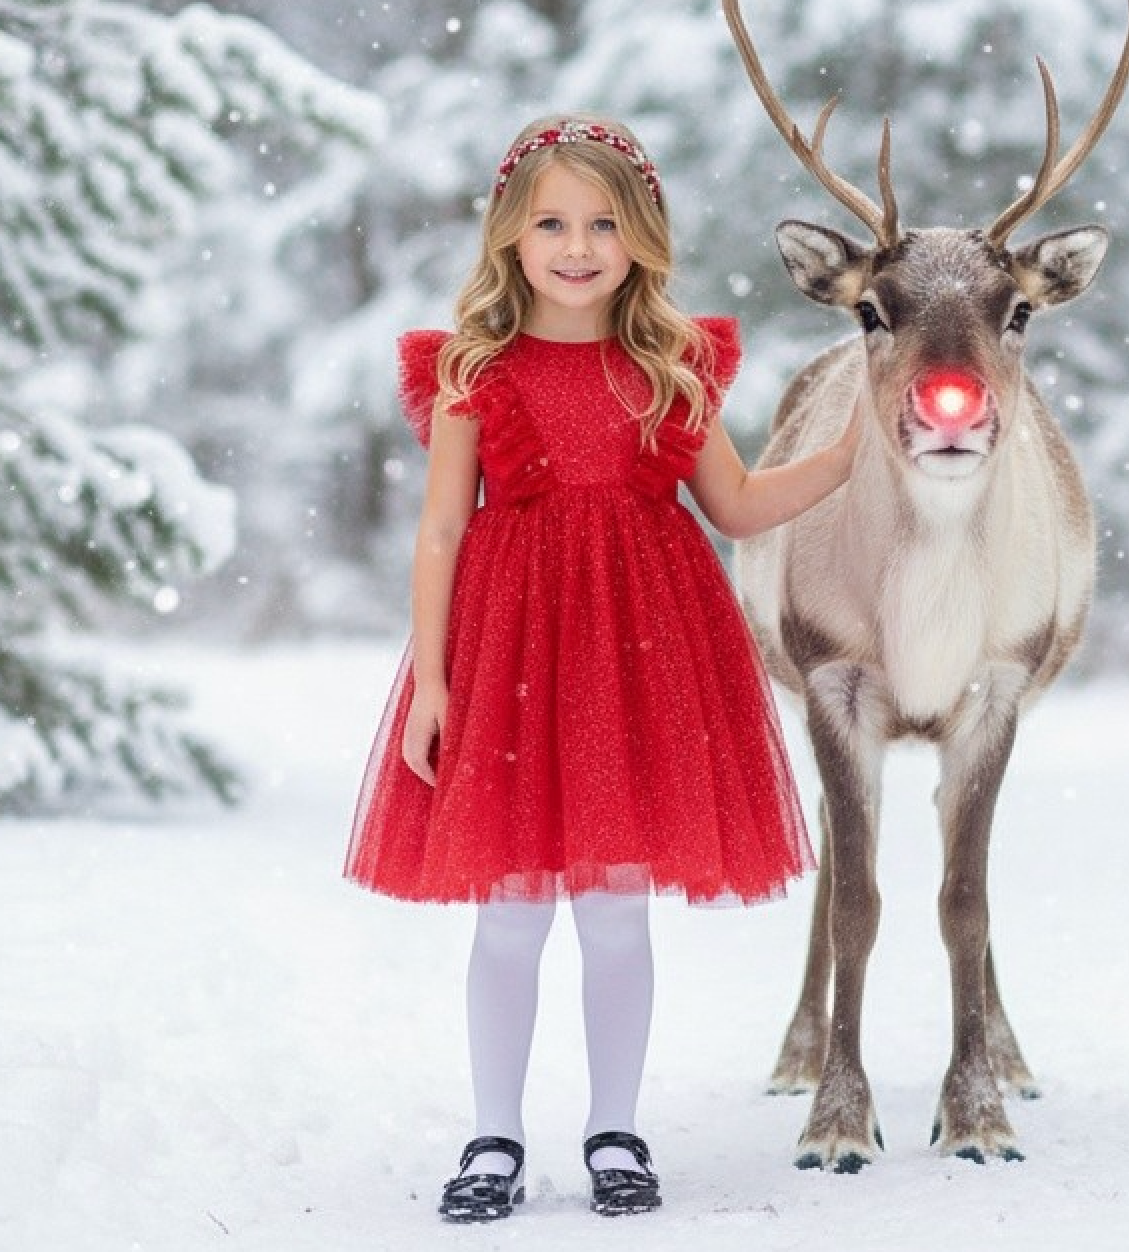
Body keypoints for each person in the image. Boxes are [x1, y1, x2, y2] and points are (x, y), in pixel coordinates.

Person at [343, 113, 860, 1222]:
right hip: (511, 654)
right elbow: (440, 534)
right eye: (552, 224)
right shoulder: (475, 370)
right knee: (512, 913)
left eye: (603, 225)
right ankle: (494, 1136)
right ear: (509, 237)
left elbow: (735, 505)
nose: (577, 247)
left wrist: (848, 457)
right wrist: (433, 685)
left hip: (639, 659)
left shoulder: (666, 368)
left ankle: (614, 1130)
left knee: (616, 911)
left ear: (640, 238)